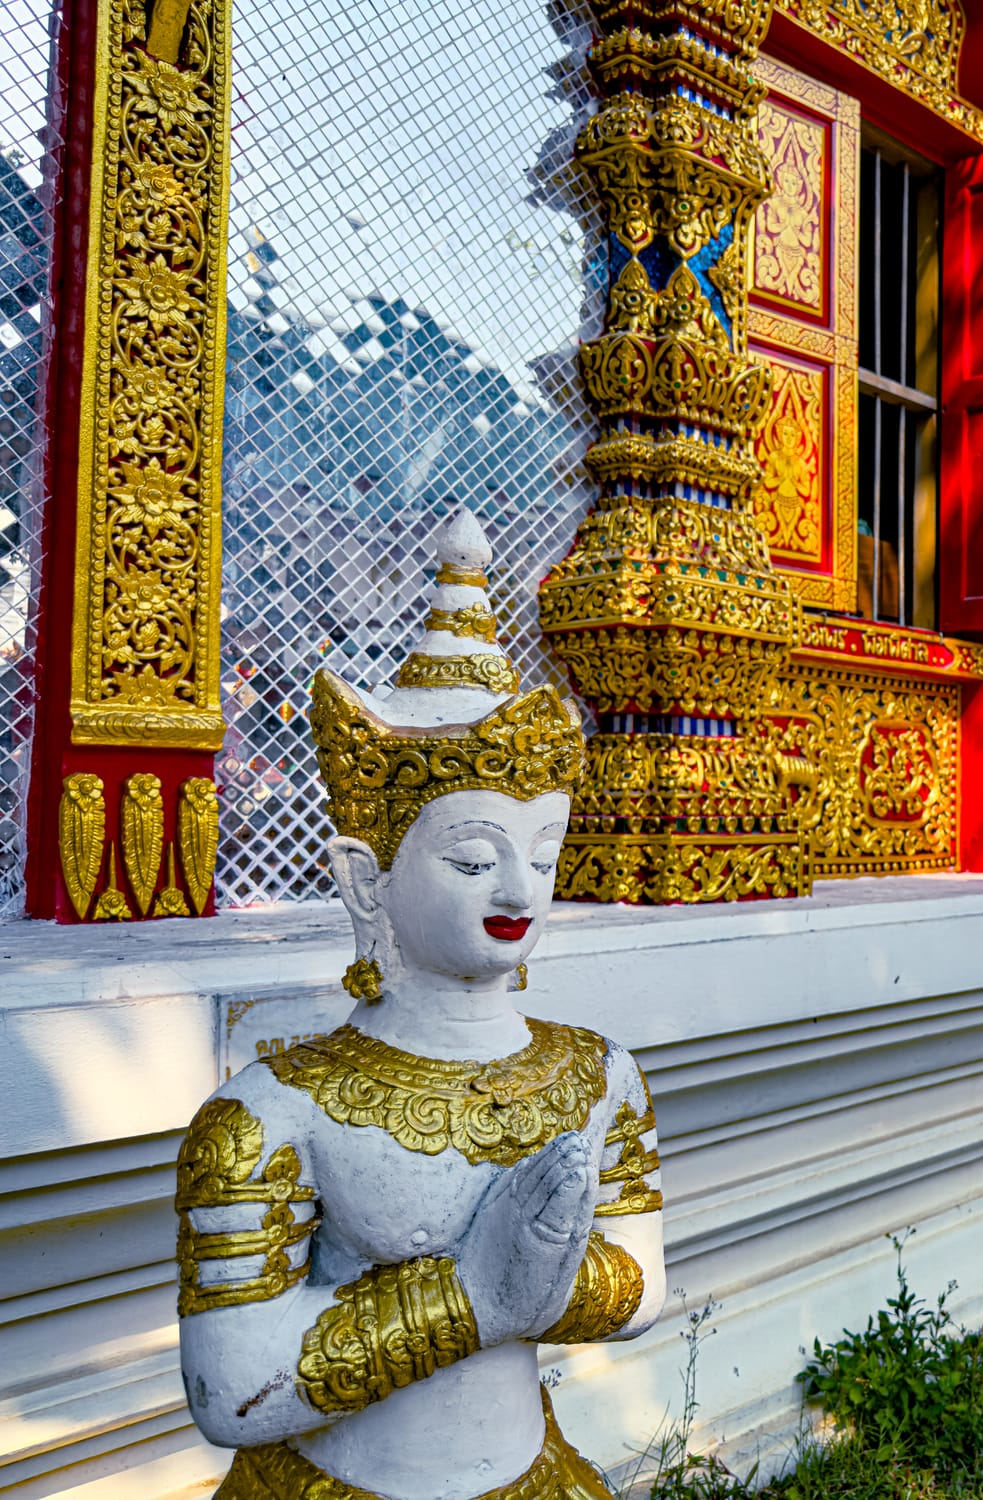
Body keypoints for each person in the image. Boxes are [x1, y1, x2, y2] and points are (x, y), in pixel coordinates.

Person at [174, 510, 661, 1500]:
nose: (520, 893)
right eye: (474, 859)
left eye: (542, 855)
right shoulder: (270, 1113)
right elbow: (228, 1390)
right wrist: (474, 1297)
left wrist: (551, 1279)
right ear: (367, 881)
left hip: (535, 1471)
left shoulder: (597, 1073)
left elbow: (645, 1286)